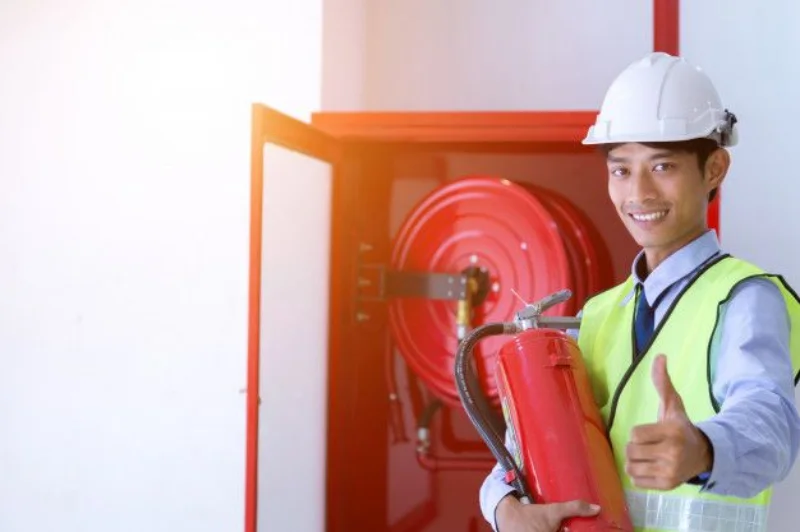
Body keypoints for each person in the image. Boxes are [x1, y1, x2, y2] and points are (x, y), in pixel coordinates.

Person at [478, 52, 800, 532]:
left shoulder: (743, 299)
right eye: (621, 170)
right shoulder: (598, 314)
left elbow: (771, 424)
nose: (639, 194)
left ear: (714, 168)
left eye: (662, 166)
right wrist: (505, 508)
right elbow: (521, 448)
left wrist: (703, 449)